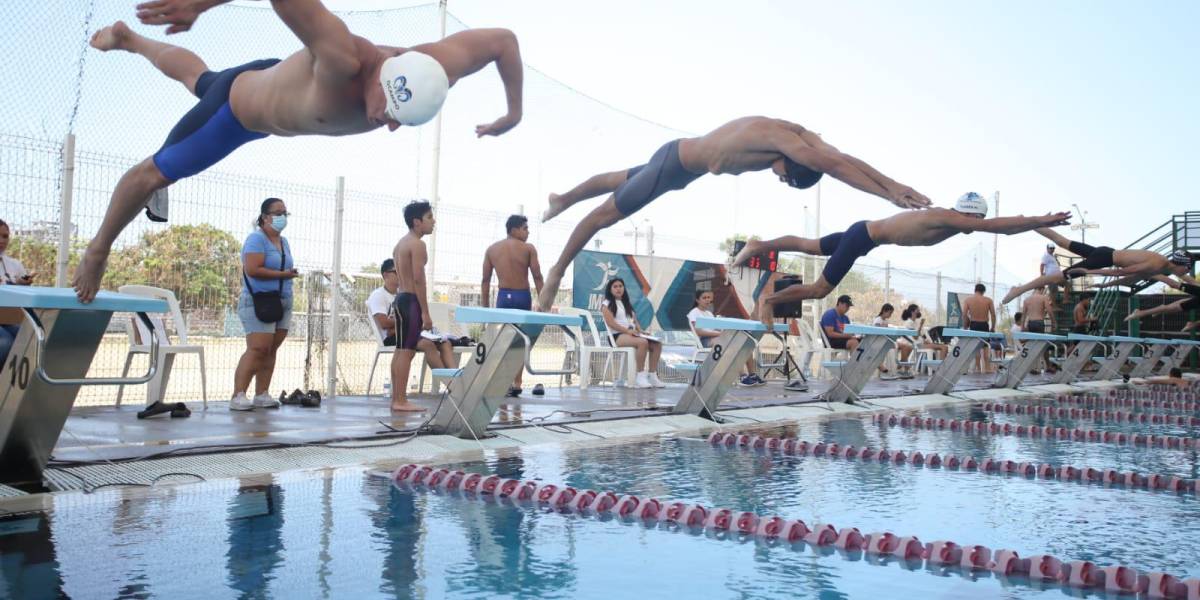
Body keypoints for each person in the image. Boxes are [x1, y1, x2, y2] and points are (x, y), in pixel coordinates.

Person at [75, 1, 525, 302]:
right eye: (386, 111)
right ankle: (97, 250)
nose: (386, 125)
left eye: (398, 121)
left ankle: (129, 40)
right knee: (150, 175)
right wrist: (198, 4)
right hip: (237, 115)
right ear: (380, 78)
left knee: (198, 78)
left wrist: (513, 114)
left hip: (274, 88)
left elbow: (504, 40)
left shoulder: (432, 66)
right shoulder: (341, 57)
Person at [535, 116, 934, 310]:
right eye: (786, 179)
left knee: (617, 179)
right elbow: (837, 168)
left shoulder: (798, 134)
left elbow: (842, 157)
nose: (778, 178)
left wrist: (892, 187)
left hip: (678, 165)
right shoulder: (790, 145)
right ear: (792, 162)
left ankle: (564, 198)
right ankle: (556, 271)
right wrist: (890, 193)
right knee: (604, 216)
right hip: (676, 165)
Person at [735, 193, 1070, 321]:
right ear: (972, 216)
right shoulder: (949, 217)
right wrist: (1038, 220)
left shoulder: (953, 220)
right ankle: (770, 301)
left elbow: (1000, 227)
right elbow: (999, 227)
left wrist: (1034, 224)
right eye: (977, 222)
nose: (976, 228)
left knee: (808, 244)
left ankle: (759, 245)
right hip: (861, 237)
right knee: (820, 290)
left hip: (862, 235)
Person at [1001, 228, 1194, 304]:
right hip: (1104, 259)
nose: (1187, 273)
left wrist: (1105, 286)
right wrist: (1089, 271)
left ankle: (1031, 224)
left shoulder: (1163, 267)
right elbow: (1122, 272)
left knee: (1062, 241)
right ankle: (1020, 289)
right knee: (1057, 277)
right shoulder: (1157, 264)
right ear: (1183, 266)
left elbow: (1130, 278)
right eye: (1188, 269)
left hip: (1105, 252)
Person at [231, 198, 295, 411]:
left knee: (271, 349)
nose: (282, 217)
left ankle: (262, 393)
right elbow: (252, 269)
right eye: (278, 213)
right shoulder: (256, 239)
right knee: (258, 348)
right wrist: (283, 274)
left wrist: (286, 276)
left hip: (283, 299)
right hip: (259, 300)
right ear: (265, 216)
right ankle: (238, 394)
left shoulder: (284, 242)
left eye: (285, 213)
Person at [366, 258, 456, 386]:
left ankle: (456, 381)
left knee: (445, 343)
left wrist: (407, 322)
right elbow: (384, 323)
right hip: (393, 337)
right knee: (428, 345)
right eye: (397, 272)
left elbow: (414, 318)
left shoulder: (402, 294)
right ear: (385, 275)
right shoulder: (378, 295)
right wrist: (407, 321)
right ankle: (451, 386)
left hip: (408, 332)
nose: (402, 275)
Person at [481, 214, 544, 397]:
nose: (528, 232)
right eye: (525, 228)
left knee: (503, 341)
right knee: (519, 342)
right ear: (514, 229)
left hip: (503, 298)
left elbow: (485, 280)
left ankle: (504, 382)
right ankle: (517, 382)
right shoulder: (528, 248)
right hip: (521, 296)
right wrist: (544, 303)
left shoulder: (492, 249)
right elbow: (537, 277)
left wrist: (485, 307)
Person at [389, 201, 437, 412]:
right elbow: (419, 279)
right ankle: (400, 400)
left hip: (400, 299)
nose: (433, 221)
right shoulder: (417, 244)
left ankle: (397, 398)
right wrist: (425, 312)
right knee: (407, 352)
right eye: (429, 217)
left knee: (400, 350)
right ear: (417, 222)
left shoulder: (400, 244)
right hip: (410, 300)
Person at [687, 289, 764, 386]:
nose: (707, 300)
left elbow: (715, 328)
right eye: (704, 298)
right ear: (698, 300)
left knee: (745, 345)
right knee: (733, 345)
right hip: (705, 340)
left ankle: (752, 375)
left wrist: (721, 331)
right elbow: (698, 332)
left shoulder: (709, 313)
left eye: (709, 298)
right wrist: (720, 334)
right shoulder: (694, 312)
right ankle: (742, 376)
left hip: (715, 337)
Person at [601, 278, 664, 389]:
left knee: (657, 344)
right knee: (642, 342)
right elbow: (611, 323)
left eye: (620, 286)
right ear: (610, 289)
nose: (618, 288)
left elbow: (634, 320)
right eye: (615, 286)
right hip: (616, 336)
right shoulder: (607, 303)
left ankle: (652, 376)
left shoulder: (626, 303)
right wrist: (628, 331)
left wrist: (641, 331)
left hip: (631, 334)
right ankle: (640, 376)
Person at [0, 219, 34, 366]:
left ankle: (12, 385)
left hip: (8, 318)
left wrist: (22, 284)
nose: (2, 240)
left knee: (27, 337)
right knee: (5, 341)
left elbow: (23, 296)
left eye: (5, 236)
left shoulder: (14, 264)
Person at [962, 283, 998, 374]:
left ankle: (978, 369)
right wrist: (993, 327)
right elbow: (993, 314)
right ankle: (987, 369)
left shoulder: (968, 300)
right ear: (983, 291)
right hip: (984, 325)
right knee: (985, 347)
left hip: (973, 324)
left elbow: (964, 314)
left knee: (976, 348)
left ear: (975, 290)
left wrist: (965, 325)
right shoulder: (988, 300)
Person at [872, 303, 913, 378]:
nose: (890, 315)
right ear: (884, 311)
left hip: (887, 340)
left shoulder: (885, 321)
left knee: (908, 347)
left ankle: (900, 367)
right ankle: (902, 369)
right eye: (890, 313)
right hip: (880, 341)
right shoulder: (878, 320)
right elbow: (877, 332)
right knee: (897, 347)